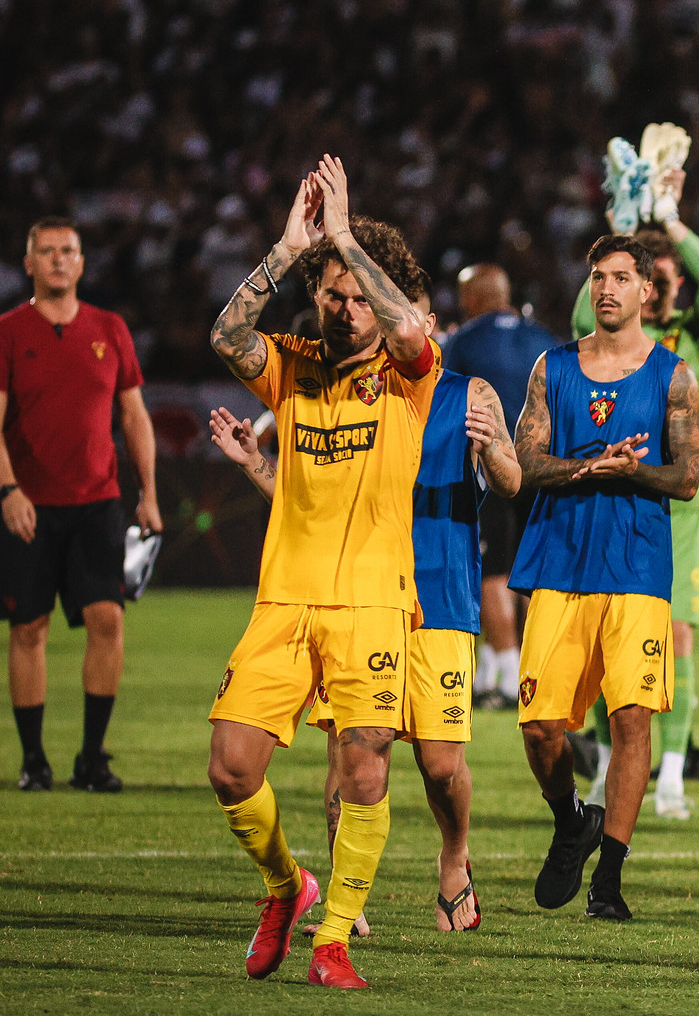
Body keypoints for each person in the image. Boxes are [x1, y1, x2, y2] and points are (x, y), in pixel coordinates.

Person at [211, 283, 521, 933]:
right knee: (347, 752)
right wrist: (257, 466)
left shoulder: (466, 392)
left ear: (429, 322)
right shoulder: (346, 389)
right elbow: (311, 500)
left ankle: (455, 856)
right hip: (357, 597)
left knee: (440, 764)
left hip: (439, 592)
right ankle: (345, 907)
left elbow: (514, 481)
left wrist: (491, 444)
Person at [204, 159, 440, 988]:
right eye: (331, 294)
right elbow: (227, 338)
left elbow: (409, 330)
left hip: (375, 602)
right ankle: (286, 885)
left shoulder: (410, 377)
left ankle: (333, 936)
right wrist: (286, 248)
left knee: (366, 761)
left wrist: (343, 236)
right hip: (286, 599)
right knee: (232, 767)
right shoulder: (294, 364)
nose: (343, 309)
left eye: (355, 295)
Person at [509, 235, 699, 923]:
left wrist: (629, 472)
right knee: (539, 725)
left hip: (638, 566)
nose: (607, 288)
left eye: (621, 277)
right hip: (558, 561)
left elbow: (686, 476)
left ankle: (609, 880)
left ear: (647, 290)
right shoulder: (552, 367)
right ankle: (570, 820)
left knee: (631, 720)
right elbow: (525, 460)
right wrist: (591, 466)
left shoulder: (674, 376)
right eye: (598, 276)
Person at [570, 169, 699, 818]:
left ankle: (670, 774)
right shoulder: (609, 338)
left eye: (667, 278)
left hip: (680, 509)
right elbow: (584, 309)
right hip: (613, 503)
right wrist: (626, 229)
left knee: (678, 636)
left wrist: (670, 221)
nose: (661, 288)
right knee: (612, 639)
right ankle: (611, 764)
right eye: (648, 278)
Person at [2, 217, 159, 793]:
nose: (59, 260)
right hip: (31, 506)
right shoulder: (9, 331)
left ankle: (92, 758)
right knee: (29, 627)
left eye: (68, 251)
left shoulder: (109, 328)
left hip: (98, 502)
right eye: (46, 252)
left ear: (82, 261)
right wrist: (8, 490)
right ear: (29, 263)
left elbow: (134, 415)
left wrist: (148, 492)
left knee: (107, 618)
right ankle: (34, 760)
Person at [443, 262, 557, 711]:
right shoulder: (545, 340)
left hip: (489, 467)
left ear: (471, 299)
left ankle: (510, 675)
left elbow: (444, 399)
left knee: (492, 571)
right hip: (543, 467)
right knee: (533, 570)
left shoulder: (464, 342)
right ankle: (534, 667)